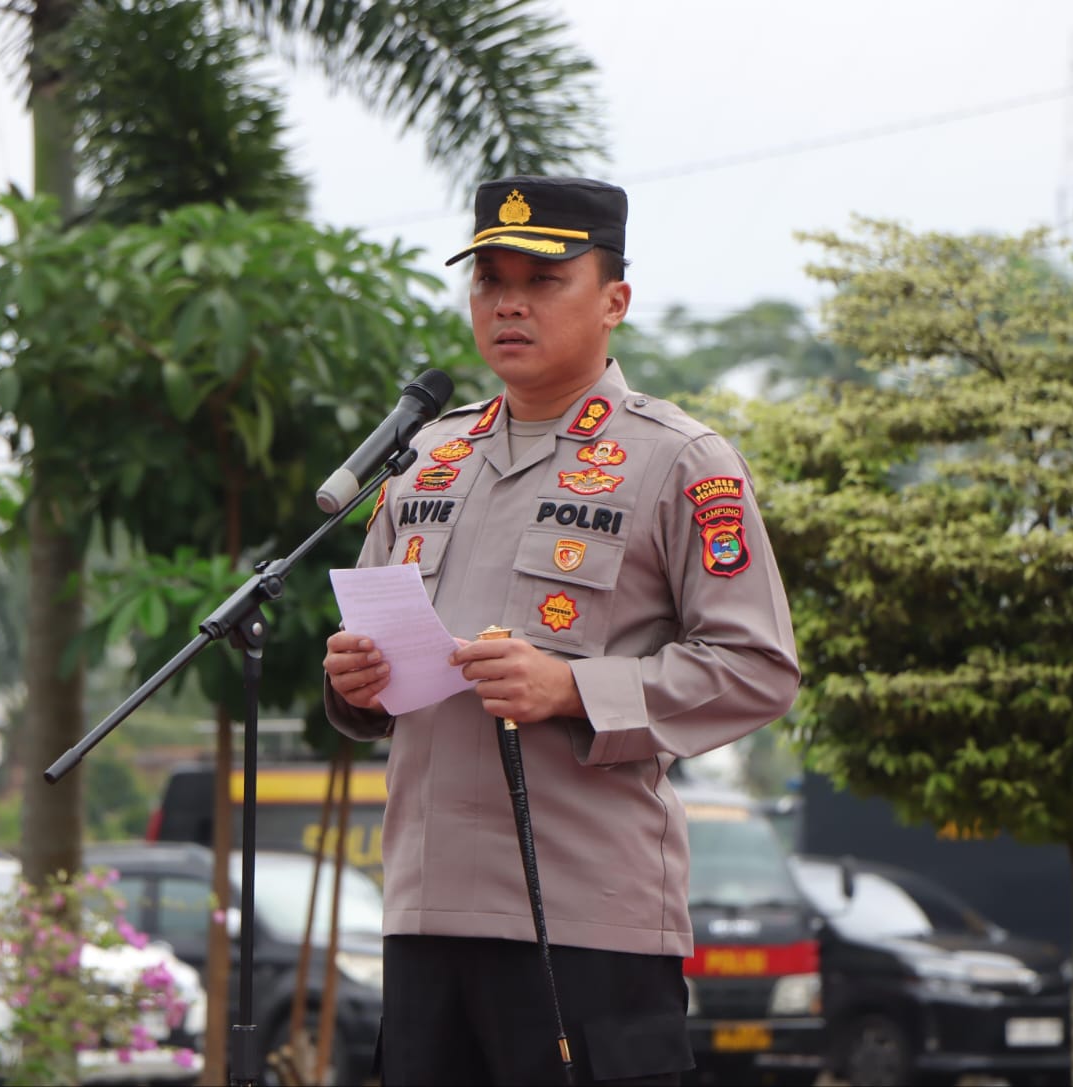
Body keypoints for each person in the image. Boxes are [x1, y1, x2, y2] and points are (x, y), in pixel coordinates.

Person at [323, 175, 800, 1085]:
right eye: (490, 282)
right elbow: (376, 684)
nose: (509, 304)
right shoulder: (425, 461)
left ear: (615, 300)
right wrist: (355, 683)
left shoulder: (678, 460)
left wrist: (573, 687)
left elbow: (757, 666)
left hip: (588, 921)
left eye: (543, 280)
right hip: (423, 914)